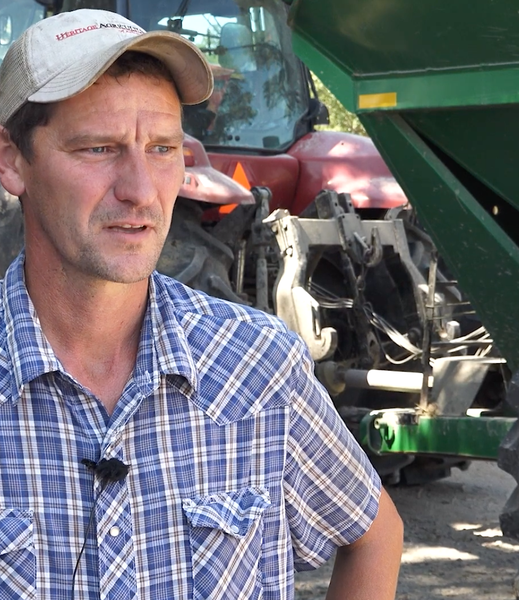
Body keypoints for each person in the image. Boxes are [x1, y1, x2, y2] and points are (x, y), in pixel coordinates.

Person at [0, 8, 403, 600]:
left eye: (163, 149)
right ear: (12, 160)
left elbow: (373, 533)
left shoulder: (258, 366)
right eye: (99, 148)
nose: (140, 190)